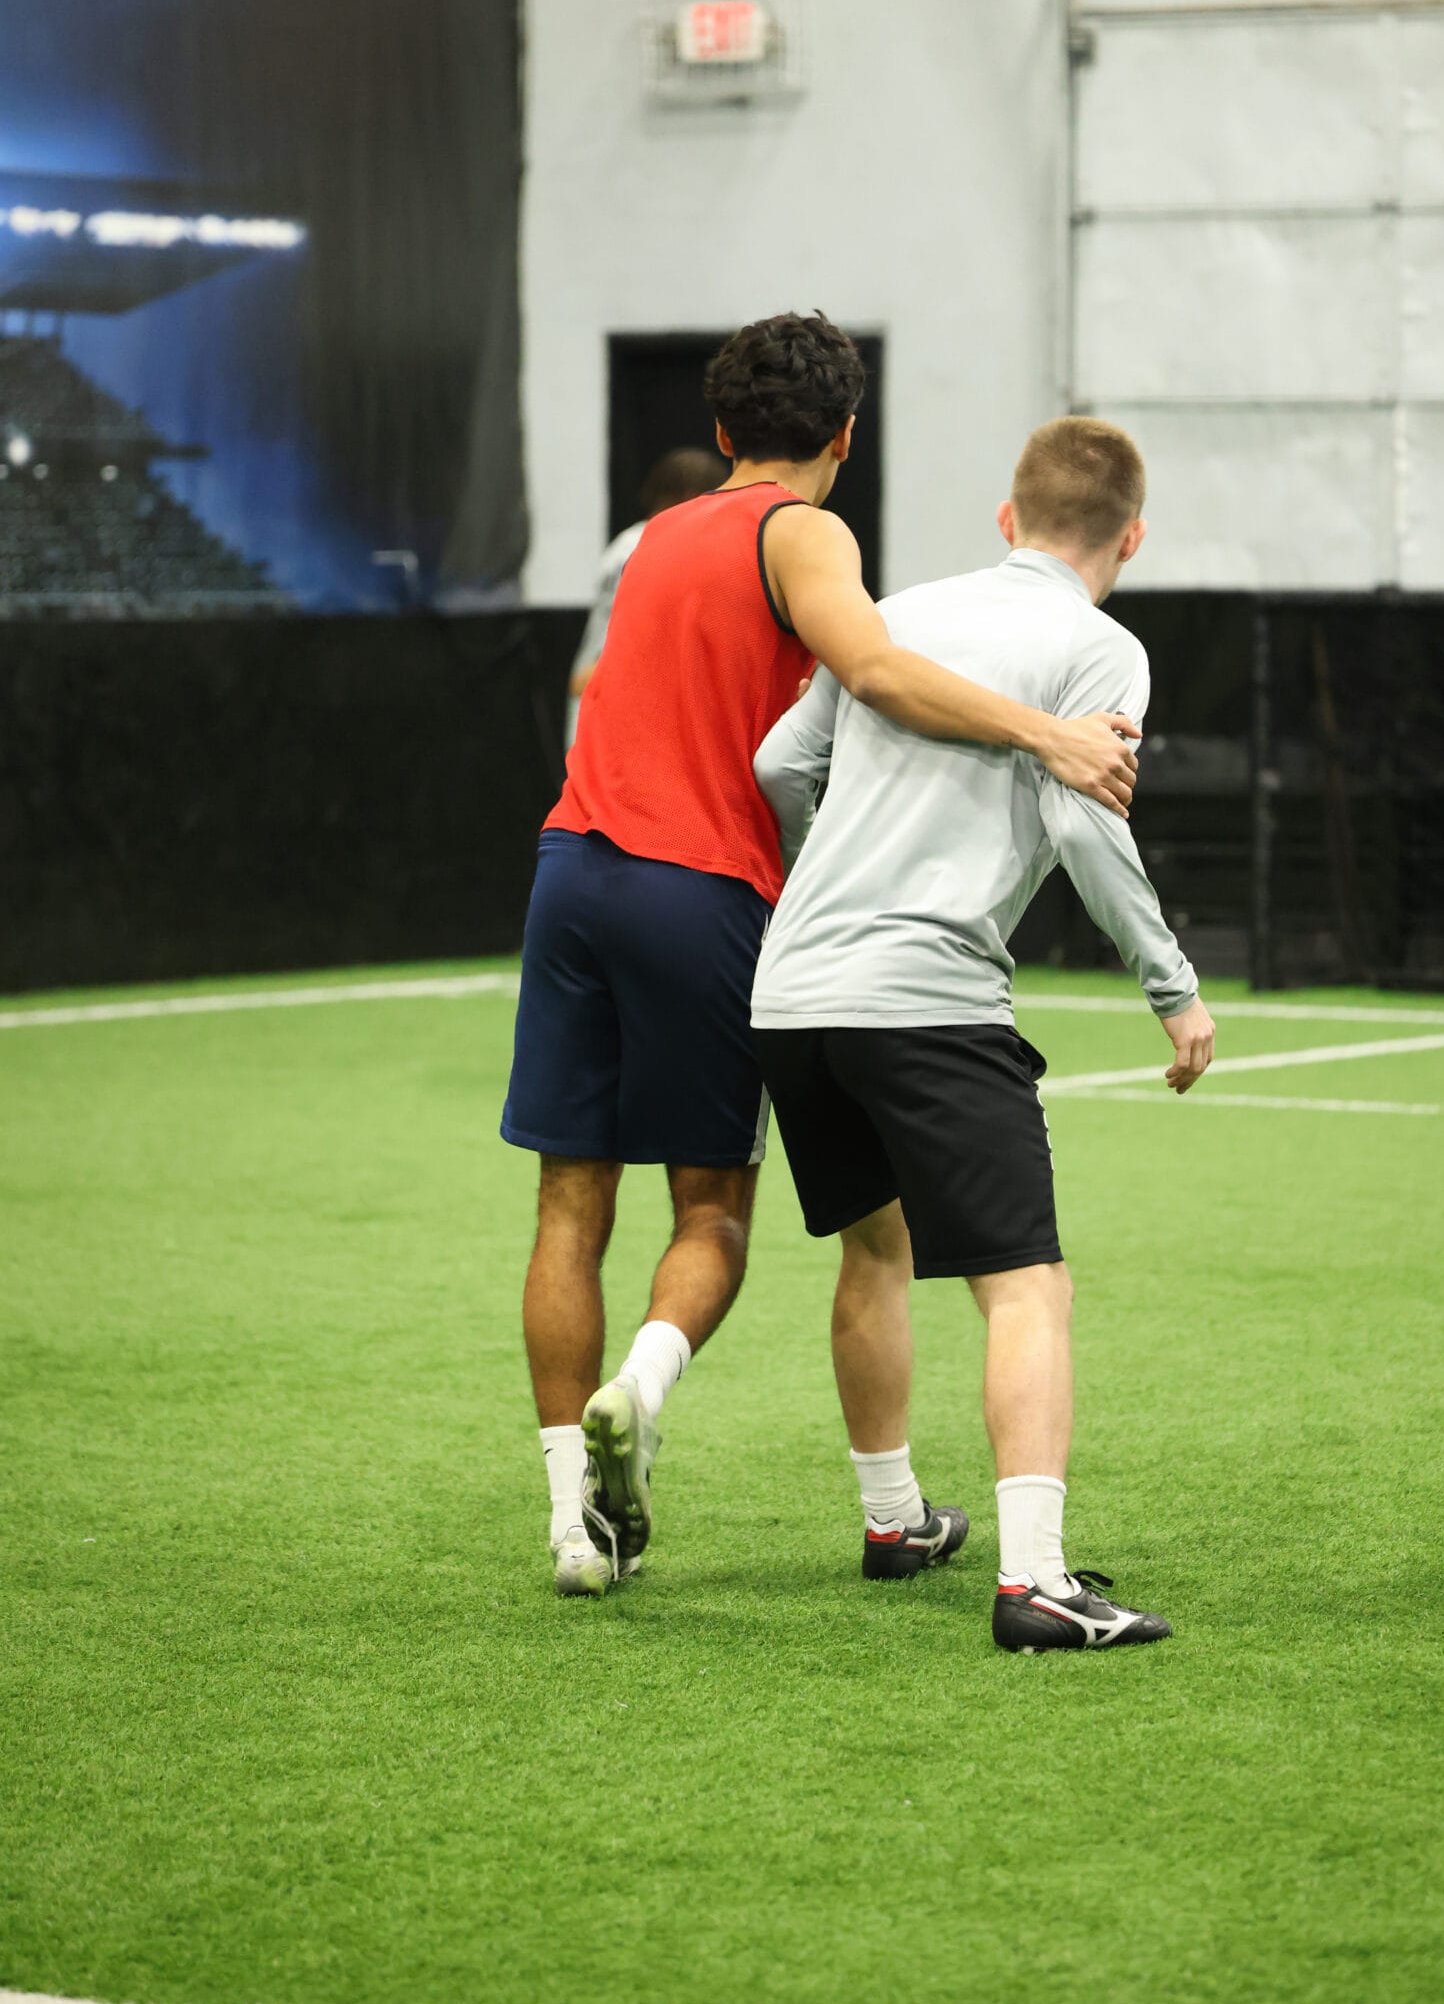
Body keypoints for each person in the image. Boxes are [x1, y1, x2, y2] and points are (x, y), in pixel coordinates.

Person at [500, 314, 1144, 1599]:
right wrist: (1048, 737)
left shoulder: (649, 539)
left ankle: (576, 1527)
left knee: (569, 1208)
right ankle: (646, 1379)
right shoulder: (801, 531)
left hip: (569, 870)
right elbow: (877, 674)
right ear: (844, 437)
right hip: (706, 888)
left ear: (723, 426)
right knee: (712, 1217)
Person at [748, 415, 1216, 1653]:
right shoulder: (1101, 647)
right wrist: (1170, 985)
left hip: (795, 990)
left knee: (876, 1247)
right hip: (926, 997)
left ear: (1007, 520)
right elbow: (1084, 825)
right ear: (1133, 537)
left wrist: (834, 882)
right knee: (1028, 1286)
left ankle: (895, 1519)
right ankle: (1036, 1586)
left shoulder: (892, 611)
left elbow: (778, 762)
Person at [564, 446, 728, 746]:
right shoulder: (643, 550)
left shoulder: (636, 544)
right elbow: (595, 674)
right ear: (692, 499)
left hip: (609, 726)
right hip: (609, 729)